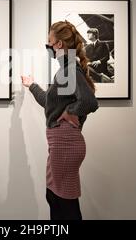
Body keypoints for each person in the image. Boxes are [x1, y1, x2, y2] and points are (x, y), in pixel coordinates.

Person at [21, 20, 99, 220]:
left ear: (59, 45)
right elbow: (50, 103)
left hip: (65, 143)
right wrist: (32, 86)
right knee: (57, 197)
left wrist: (71, 111)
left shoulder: (69, 68)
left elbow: (90, 102)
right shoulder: (66, 69)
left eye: (49, 42)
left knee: (61, 201)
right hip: (61, 143)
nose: (47, 46)